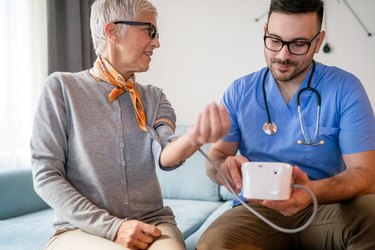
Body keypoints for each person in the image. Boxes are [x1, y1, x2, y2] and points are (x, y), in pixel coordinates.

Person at [30, 0, 230, 250]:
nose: (157, 42)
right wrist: (113, 228)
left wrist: (196, 138)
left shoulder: (154, 97)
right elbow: (46, 175)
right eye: (150, 31)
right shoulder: (61, 88)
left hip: (152, 221)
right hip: (80, 228)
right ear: (113, 31)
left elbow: (166, 156)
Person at [196, 0, 375, 249]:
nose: (283, 55)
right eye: (275, 40)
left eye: (299, 44)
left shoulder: (345, 88)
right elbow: (215, 156)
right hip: (259, 211)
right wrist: (223, 168)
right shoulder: (239, 92)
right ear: (265, 31)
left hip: (327, 207)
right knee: (214, 243)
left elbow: (365, 175)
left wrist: (311, 190)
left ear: (318, 42)